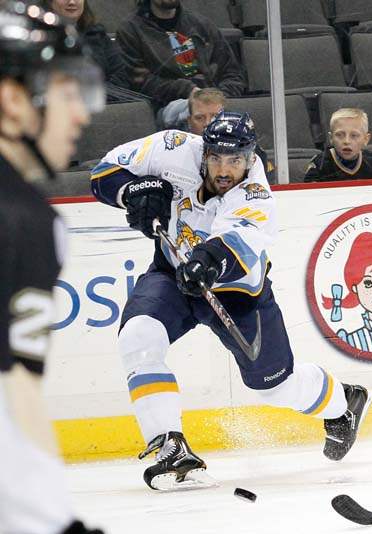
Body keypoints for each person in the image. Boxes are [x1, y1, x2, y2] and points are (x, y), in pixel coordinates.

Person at [90, 111, 372, 490]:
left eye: (235, 160)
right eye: (217, 158)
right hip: (172, 274)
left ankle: (343, 402)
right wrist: (133, 192)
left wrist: (206, 261)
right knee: (138, 336)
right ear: (203, 151)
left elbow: (234, 246)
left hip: (237, 292)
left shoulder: (256, 192)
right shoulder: (171, 147)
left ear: (250, 158)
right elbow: (102, 173)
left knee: (274, 386)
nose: (225, 170)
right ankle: (169, 447)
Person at [0, 2, 105, 533]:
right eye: (69, 94)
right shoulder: (22, 222)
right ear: (13, 101)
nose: (83, 114)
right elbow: (10, 394)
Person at [116, 0, 246, 110]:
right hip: (166, 108)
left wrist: (221, 100)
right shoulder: (130, 29)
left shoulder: (202, 25)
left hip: (215, 104)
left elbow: (232, 74)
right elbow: (139, 83)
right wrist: (187, 90)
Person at [42, 0, 151, 104]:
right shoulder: (40, 38)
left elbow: (122, 74)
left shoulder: (97, 34)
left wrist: (96, 94)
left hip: (106, 105)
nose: (72, 2)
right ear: (50, 2)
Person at [304, 108, 372, 183]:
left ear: (366, 139)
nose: (346, 141)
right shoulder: (320, 163)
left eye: (354, 135)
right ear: (331, 138)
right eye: (339, 135)